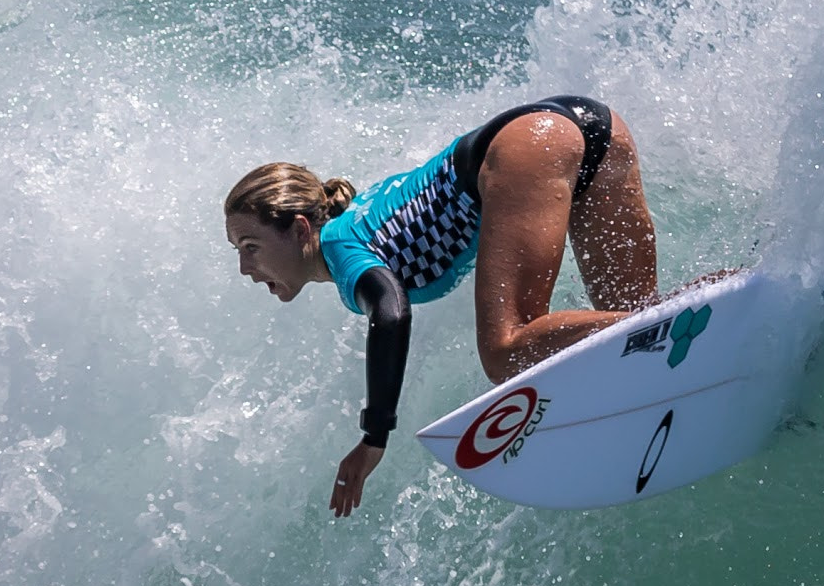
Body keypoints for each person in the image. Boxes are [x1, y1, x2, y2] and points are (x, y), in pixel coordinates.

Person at [223, 96, 659, 518]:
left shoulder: (340, 246)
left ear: (300, 230)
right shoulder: (356, 221)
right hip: (589, 127)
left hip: (530, 146)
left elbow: (390, 311)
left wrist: (374, 436)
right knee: (644, 331)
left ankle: (669, 311)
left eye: (251, 246)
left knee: (506, 350)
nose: (245, 267)